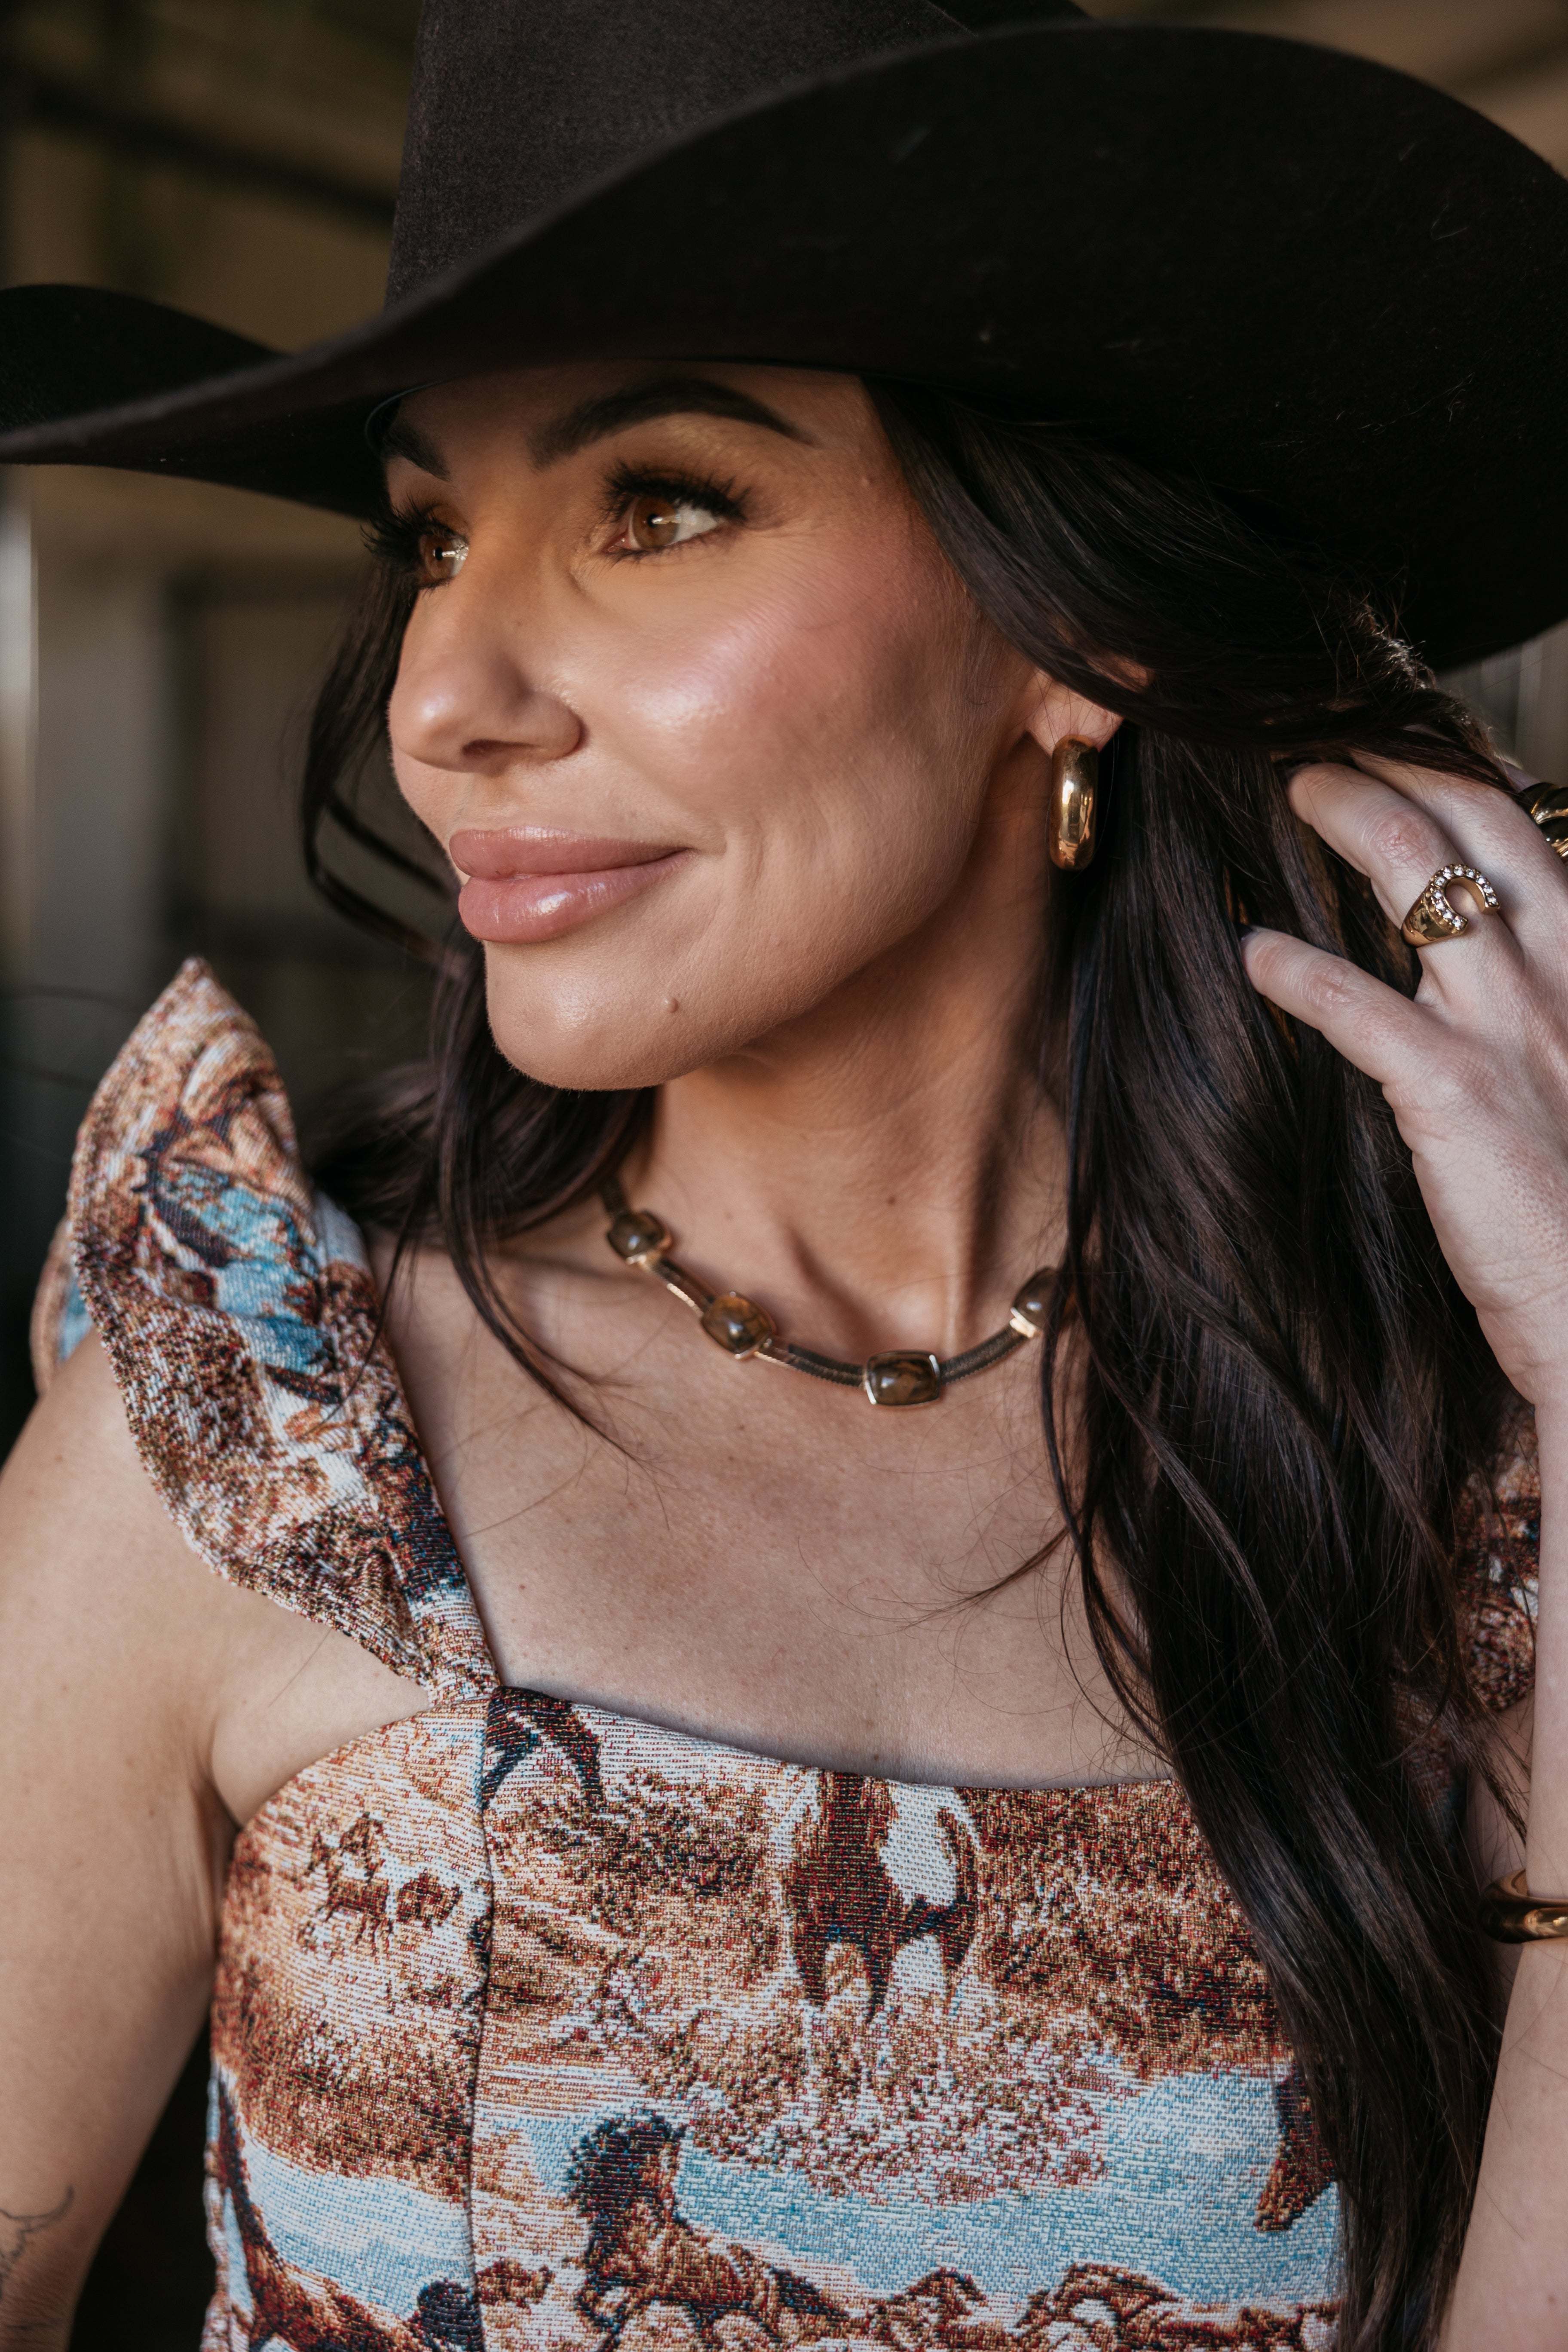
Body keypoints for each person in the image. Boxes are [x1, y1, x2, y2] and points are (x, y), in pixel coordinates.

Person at [3, 2, 1568, 2346]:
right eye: (435, 529)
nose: (448, 692)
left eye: (658, 503)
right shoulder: (266, 1440)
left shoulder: (1442, 1487)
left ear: (1076, 628)